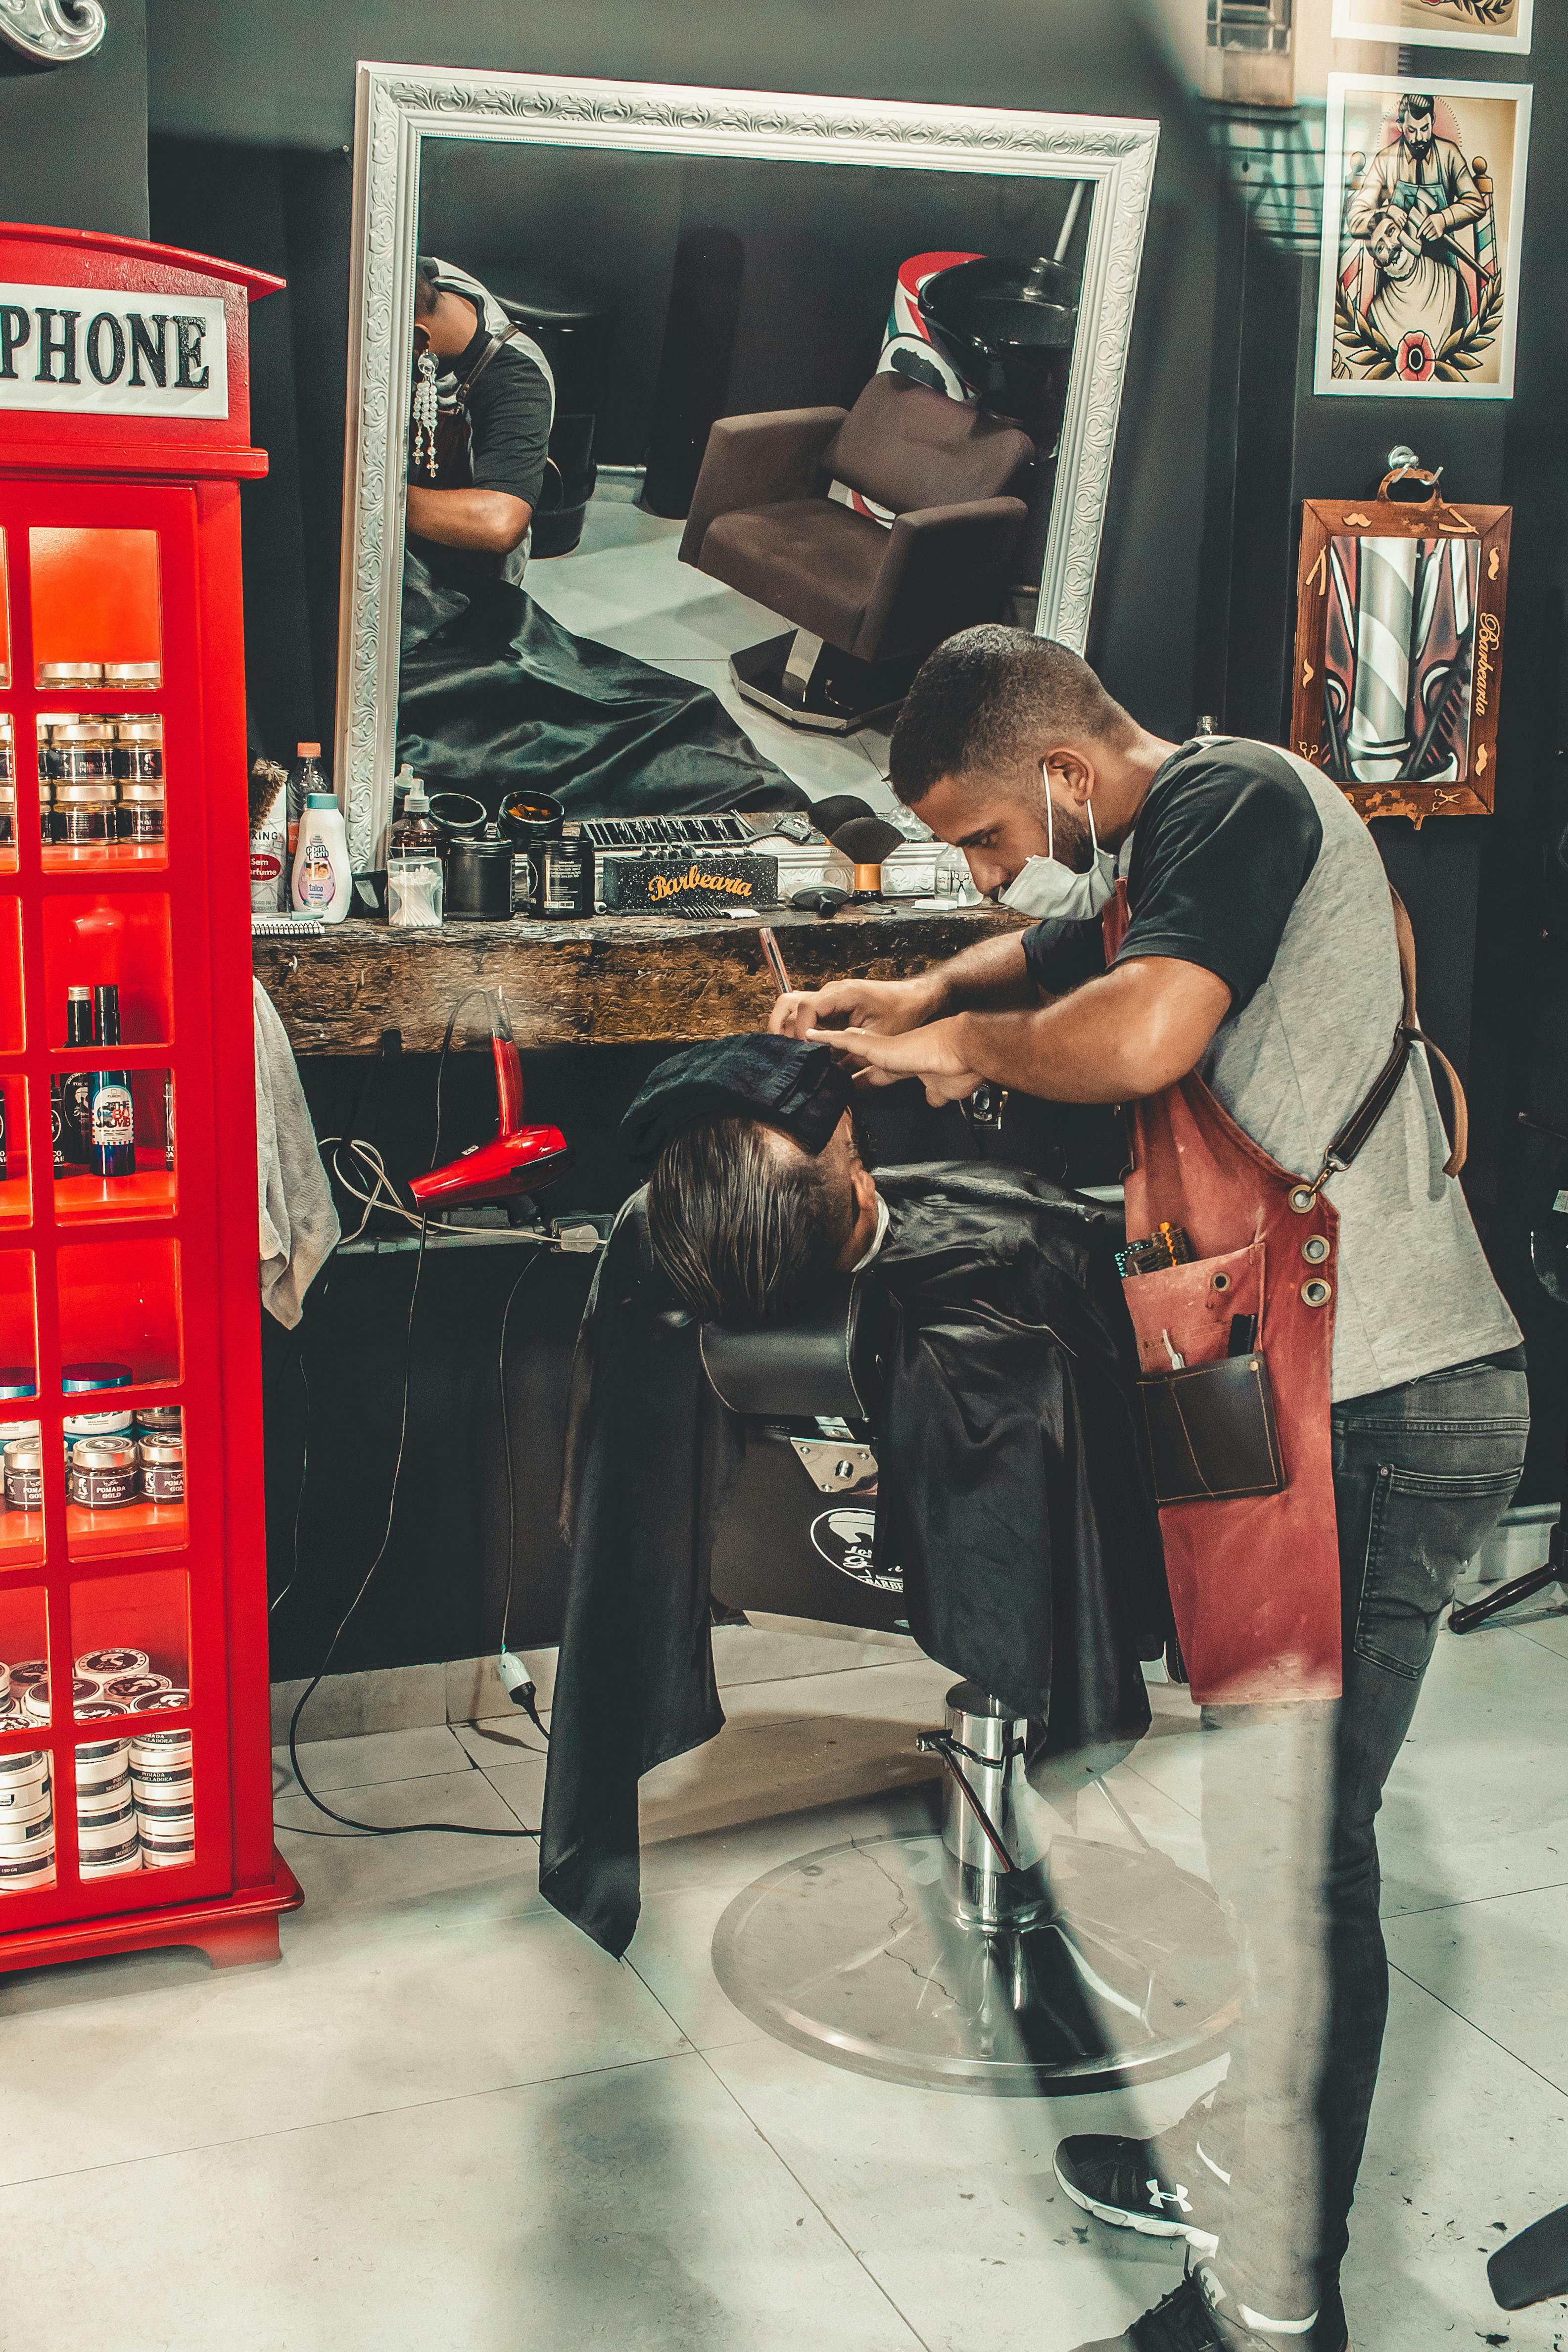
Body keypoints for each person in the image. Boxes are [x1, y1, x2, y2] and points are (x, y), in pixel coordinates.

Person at [771, 624, 1528, 2351]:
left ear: (1054, 764)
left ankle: (1272, 2307)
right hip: (1302, 1403)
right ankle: (1244, 2156)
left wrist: (957, 1060)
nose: (988, 862)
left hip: (1380, 1410)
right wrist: (919, 993)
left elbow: (1133, 1032)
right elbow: (1042, 947)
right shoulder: (1154, 854)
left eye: (978, 826)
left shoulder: (1233, 795)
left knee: (1289, 1860)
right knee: (1259, 1827)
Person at [406, 255, 555, 588]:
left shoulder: (518, 381)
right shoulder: (426, 274)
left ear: (419, 341)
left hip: (469, 574)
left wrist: (370, 498)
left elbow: (500, 522)